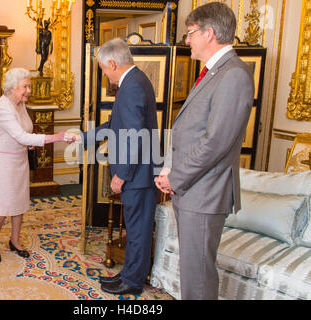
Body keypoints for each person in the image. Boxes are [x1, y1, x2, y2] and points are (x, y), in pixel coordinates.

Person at [155, 2, 254, 300]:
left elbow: (215, 142)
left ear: (209, 33)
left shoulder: (233, 74)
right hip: (195, 189)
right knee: (193, 274)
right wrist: (171, 168)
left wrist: (177, 177)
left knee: (197, 279)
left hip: (205, 192)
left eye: (191, 33)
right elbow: (193, 131)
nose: (187, 41)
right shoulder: (215, 72)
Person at [81, 38, 159, 295]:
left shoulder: (132, 87)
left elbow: (134, 135)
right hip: (139, 173)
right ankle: (128, 274)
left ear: (112, 63)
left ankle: (133, 281)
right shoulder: (136, 81)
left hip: (137, 174)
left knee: (137, 230)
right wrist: (82, 138)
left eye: (103, 69)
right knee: (135, 228)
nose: (104, 75)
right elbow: (115, 125)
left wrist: (121, 175)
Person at [0, 67, 72, 263]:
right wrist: (56, 137)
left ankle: (14, 241)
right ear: (12, 87)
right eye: (25, 86)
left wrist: (31, 141)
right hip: (2, 161)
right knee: (2, 204)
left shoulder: (19, 104)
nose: (29, 91)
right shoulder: (2, 107)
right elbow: (20, 135)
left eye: (29, 86)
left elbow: (25, 131)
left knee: (19, 201)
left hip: (19, 157)